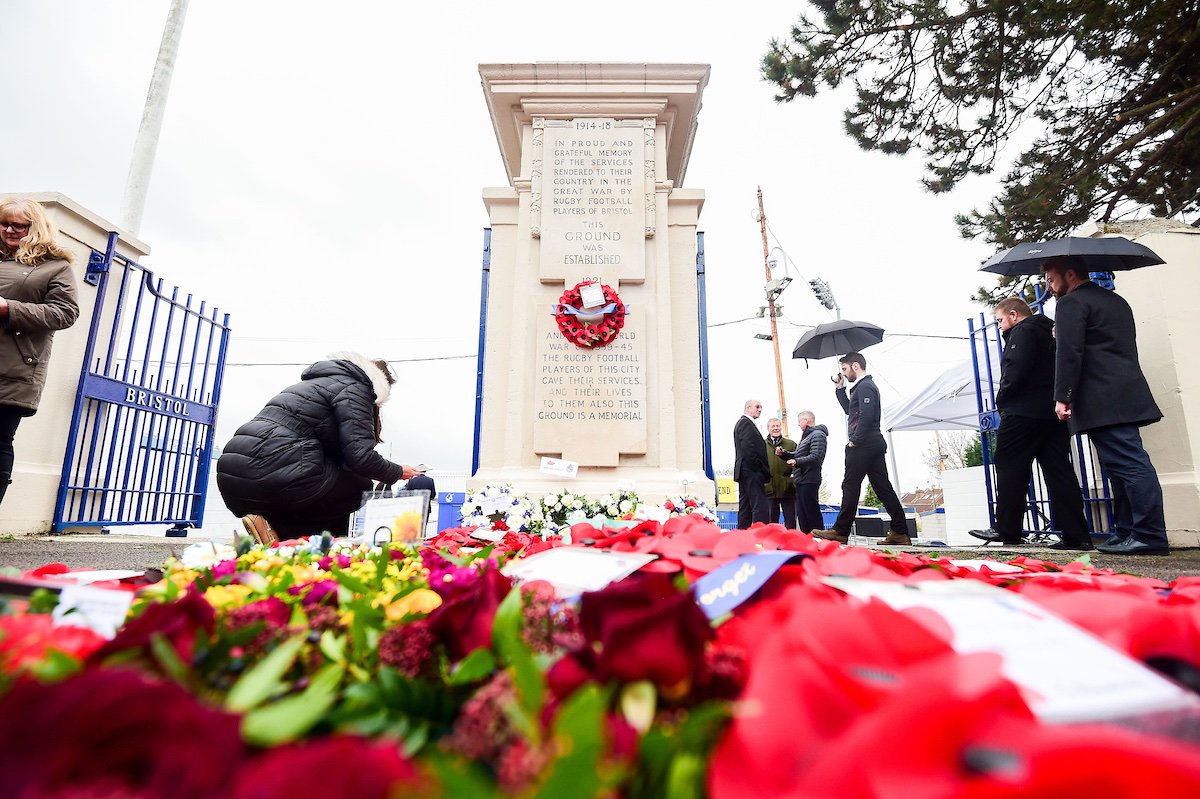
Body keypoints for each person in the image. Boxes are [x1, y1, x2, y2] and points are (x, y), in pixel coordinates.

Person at [216, 352, 422, 541]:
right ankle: (323, 547)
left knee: (330, 488)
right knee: (359, 487)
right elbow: (361, 457)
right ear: (382, 386)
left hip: (235, 475)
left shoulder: (315, 384)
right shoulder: (355, 389)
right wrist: (398, 471)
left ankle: (276, 531)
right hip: (272, 468)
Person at [1043, 256, 1169, 556]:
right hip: (1124, 391)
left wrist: (1063, 396)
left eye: (1051, 278)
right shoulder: (1115, 300)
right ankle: (1126, 531)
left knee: (1130, 465)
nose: (1048, 286)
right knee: (1118, 468)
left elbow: (1070, 353)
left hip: (1102, 395)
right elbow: (1103, 342)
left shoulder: (1070, 304)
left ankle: (1149, 535)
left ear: (1070, 274)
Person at [968, 298, 1092, 550]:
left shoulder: (1022, 331)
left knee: (1009, 465)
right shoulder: (1052, 330)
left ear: (1014, 315)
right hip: (1051, 410)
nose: (1001, 327)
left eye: (1001, 320)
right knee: (1059, 470)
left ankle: (1007, 528)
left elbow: (1015, 370)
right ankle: (1076, 534)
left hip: (1023, 411)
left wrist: (1003, 399)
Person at [0, 197, 80, 508]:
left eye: (18, 225)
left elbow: (65, 313)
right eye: (4, 223)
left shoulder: (54, 266)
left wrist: (9, 308)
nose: (9, 230)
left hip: (13, 367)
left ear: (35, 228)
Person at [814, 352, 911, 546]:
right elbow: (851, 411)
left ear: (855, 366)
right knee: (882, 487)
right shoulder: (860, 387)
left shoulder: (866, 386)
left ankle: (840, 531)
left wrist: (855, 441)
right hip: (872, 443)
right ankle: (900, 531)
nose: (843, 372)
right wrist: (840, 390)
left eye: (844, 369)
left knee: (850, 485)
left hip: (864, 444)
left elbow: (865, 417)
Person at [778, 410, 828, 533]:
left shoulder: (817, 435)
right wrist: (785, 455)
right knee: (803, 514)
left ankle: (817, 539)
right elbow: (798, 454)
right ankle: (806, 540)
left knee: (811, 512)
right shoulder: (807, 437)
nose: (799, 424)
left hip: (809, 479)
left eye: (799, 421)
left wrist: (796, 462)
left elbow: (816, 456)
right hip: (801, 480)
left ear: (805, 420)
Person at [733, 399, 771, 528]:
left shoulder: (745, 423)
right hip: (751, 470)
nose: (760, 409)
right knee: (759, 504)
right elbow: (748, 447)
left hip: (746, 470)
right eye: (757, 407)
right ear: (748, 408)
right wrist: (759, 468)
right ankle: (761, 534)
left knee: (746, 505)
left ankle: (742, 533)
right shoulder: (746, 423)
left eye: (761, 407)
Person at [763, 417, 797, 528]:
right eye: (773, 426)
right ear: (768, 428)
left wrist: (793, 480)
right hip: (769, 488)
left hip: (788, 488)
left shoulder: (791, 444)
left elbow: (798, 463)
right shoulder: (762, 445)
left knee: (790, 519)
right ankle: (771, 543)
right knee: (771, 521)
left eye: (778, 426)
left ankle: (790, 543)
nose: (776, 428)